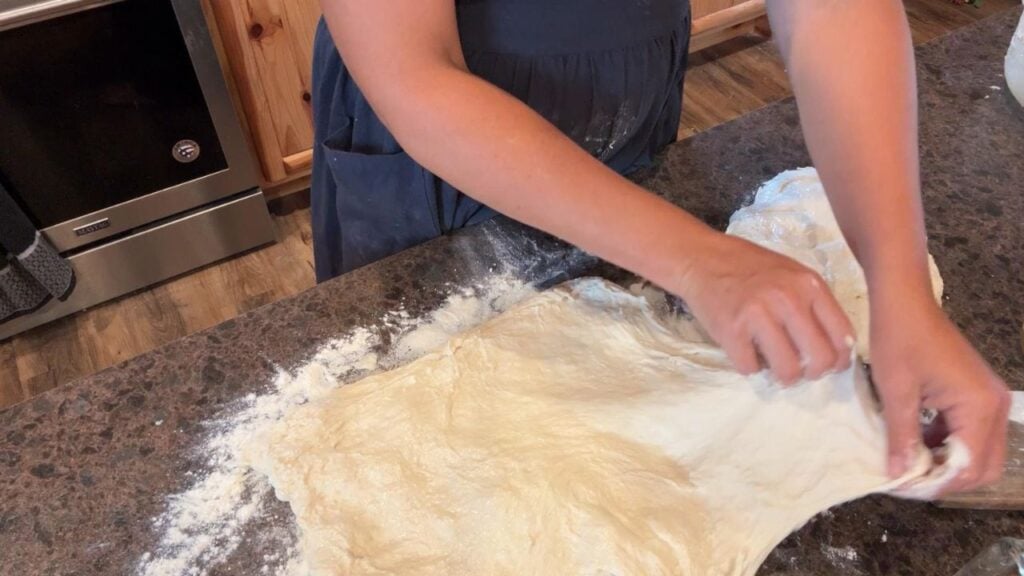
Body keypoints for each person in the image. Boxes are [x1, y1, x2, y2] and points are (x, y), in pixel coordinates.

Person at [311, 0, 1010, 493]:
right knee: (440, 439)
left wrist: (900, 288)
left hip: (624, 104)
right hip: (439, 153)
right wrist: (694, 260)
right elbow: (413, 72)